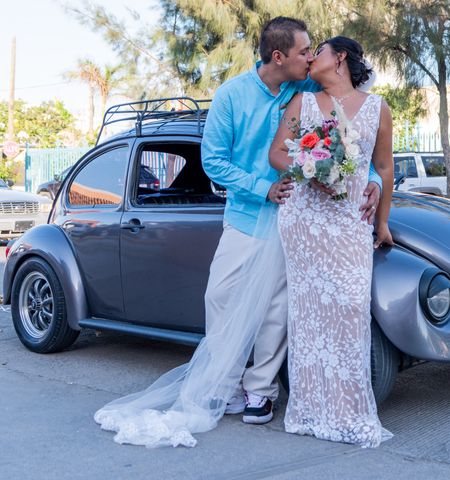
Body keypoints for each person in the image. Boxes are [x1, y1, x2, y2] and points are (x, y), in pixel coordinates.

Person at [93, 17, 382, 448]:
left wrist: (374, 177)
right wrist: (262, 187)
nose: (310, 57)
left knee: (276, 308)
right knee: (221, 294)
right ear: (279, 57)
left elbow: (353, 136)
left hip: (297, 219)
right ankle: (223, 384)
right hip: (248, 215)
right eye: (304, 51)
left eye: (313, 52)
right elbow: (213, 161)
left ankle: (260, 392)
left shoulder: (305, 90)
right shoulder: (232, 96)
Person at [269, 36, 394, 448]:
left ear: (339, 57)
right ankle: (308, 411)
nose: (310, 59)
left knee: (350, 306)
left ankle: (347, 411)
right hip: (305, 221)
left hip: (350, 222)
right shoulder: (301, 104)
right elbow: (277, 155)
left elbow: (383, 168)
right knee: (308, 319)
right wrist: (311, 169)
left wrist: (383, 222)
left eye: (317, 51)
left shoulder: (378, 108)